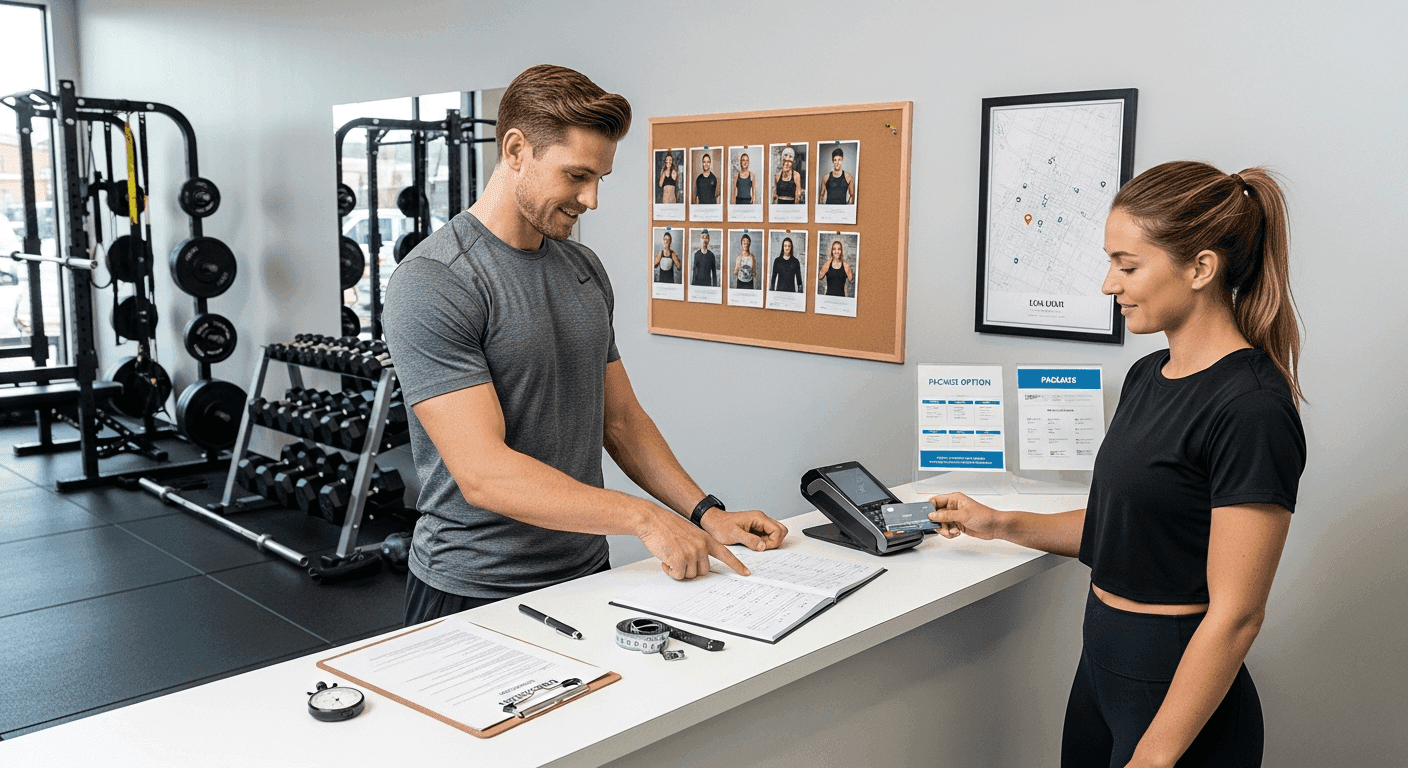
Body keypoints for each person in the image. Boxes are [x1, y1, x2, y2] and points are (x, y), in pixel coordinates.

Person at [928, 161, 1305, 767]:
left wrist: (1153, 759)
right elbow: (1122, 528)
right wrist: (997, 522)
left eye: (1127, 266)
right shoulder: (1146, 377)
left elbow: (1237, 616)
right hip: (1101, 665)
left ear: (1201, 268)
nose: (1109, 285)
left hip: (1174, 687)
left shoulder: (1251, 407)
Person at [384, 65, 789, 628]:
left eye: (601, 177)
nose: (592, 199)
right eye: (577, 175)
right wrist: (644, 519)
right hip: (475, 588)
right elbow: (482, 472)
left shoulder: (583, 267)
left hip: (586, 572)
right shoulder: (436, 280)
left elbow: (620, 420)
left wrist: (705, 514)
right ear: (517, 149)